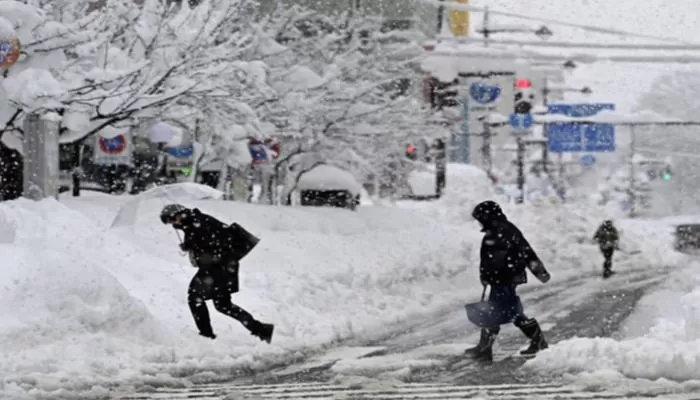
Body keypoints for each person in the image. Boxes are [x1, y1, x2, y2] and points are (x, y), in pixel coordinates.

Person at [160, 204, 274, 343]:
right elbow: (203, 243)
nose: (173, 224)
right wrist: (189, 246)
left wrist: (199, 250)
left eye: (173, 220)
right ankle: (261, 329)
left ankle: (206, 336)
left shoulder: (199, 223)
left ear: (179, 213)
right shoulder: (192, 223)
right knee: (223, 305)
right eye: (170, 222)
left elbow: (217, 243)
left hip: (217, 267)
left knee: (195, 297)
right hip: (221, 267)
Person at [464, 200, 551, 362]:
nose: (479, 222)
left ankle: (486, 347)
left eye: (480, 218)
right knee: (501, 312)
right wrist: (485, 276)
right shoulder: (500, 230)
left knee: (504, 313)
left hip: (504, 279)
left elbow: (524, 252)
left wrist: (540, 271)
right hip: (501, 279)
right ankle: (487, 347)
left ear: (487, 216)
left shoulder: (504, 231)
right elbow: (491, 259)